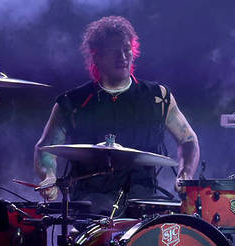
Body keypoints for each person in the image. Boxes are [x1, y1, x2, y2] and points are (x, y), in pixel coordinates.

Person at [34, 15, 199, 214]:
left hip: (143, 200)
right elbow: (45, 148)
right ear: (96, 56)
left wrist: (185, 173)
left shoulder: (157, 97)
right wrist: (49, 176)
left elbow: (188, 140)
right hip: (90, 202)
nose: (122, 56)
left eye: (126, 49)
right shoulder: (72, 103)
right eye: (113, 52)